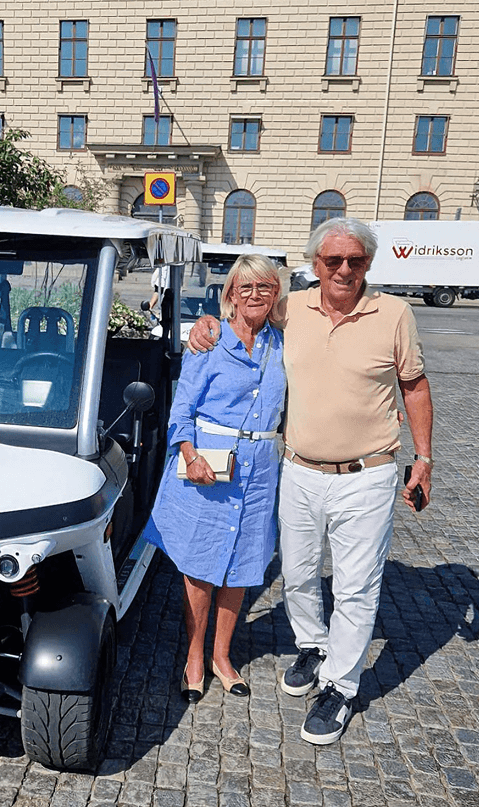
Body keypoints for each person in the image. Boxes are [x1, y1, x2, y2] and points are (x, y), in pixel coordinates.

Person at [187, 217, 433, 744]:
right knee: (297, 574)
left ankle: (341, 686)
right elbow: (243, 310)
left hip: (367, 472)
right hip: (298, 469)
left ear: (368, 263)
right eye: (332, 260)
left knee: (355, 586)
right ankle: (313, 646)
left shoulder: (394, 313)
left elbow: (414, 385)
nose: (344, 269)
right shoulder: (292, 307)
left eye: (355, 260)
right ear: (315, 264)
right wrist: (206, 323)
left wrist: (425, 459)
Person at [143, 254, 286, 703]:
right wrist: (189, 455)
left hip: (259, 471)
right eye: (246, 287)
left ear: (276, 294)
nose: (256, 295)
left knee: (241, 564)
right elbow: (181, 411)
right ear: (231, 296)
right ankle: (193, 656)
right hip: (208, 467)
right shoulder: (210, 342)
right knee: (201, 564)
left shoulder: (283, 343)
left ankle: (222, 656)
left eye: (265, 287)